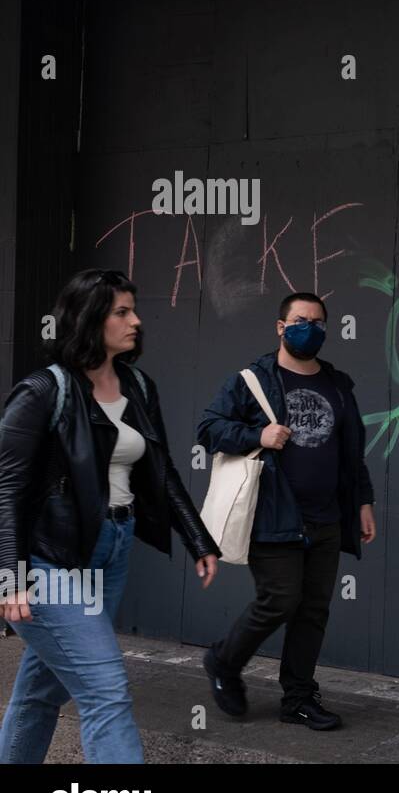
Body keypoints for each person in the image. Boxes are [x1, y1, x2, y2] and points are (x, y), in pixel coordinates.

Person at [0, 268, 221, 763]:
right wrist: (8, 576)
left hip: (109, 552)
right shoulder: (43, 391)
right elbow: (6, 487)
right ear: (89, 319)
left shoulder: (138, 387)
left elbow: (160, 472)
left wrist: (198, 539)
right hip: (45, 561)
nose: (136, 321)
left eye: (133, 310)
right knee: (106, 689)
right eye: (122, 312)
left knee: (42, 691)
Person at [197, 292, 376, 731]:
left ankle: (297, 698)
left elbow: (353, 453)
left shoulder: (337, 384)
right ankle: (223, 660)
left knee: (313, 609)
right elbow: (209, 428)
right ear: (281, 327)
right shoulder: (252, 380)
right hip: (275, 514)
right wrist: (260, 434)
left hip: (328, 516)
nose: (308, 328)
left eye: (317, 322)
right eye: (299, 320)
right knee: (280, 598)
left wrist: (363, 502)